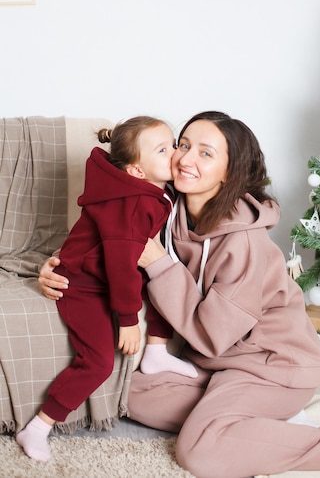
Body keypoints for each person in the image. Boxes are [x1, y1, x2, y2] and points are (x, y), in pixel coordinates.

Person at [38, 111, 320, 478]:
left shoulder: (245, 243)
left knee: (200, 451)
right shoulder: (162, 204)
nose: (185, 158)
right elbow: (104, 235)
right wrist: (56, 265)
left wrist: (157, 262)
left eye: (206, 153)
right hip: (213, 367)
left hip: (272, 365)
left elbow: (212, 336)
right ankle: (256, 420)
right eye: (182, 145)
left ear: (229, 172)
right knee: (126, 394)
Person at [17, 115, 196, 463]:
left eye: (173, 144)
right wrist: (127, 319)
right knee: (98, 362)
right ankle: (38, 426)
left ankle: (157, 353)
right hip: (82, 285)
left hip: (107, 273)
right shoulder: (133, 203)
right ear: (136, 172)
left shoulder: (153, 192)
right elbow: (119, 264)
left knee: (164, 280)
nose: (175, 154)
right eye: (163, 150)